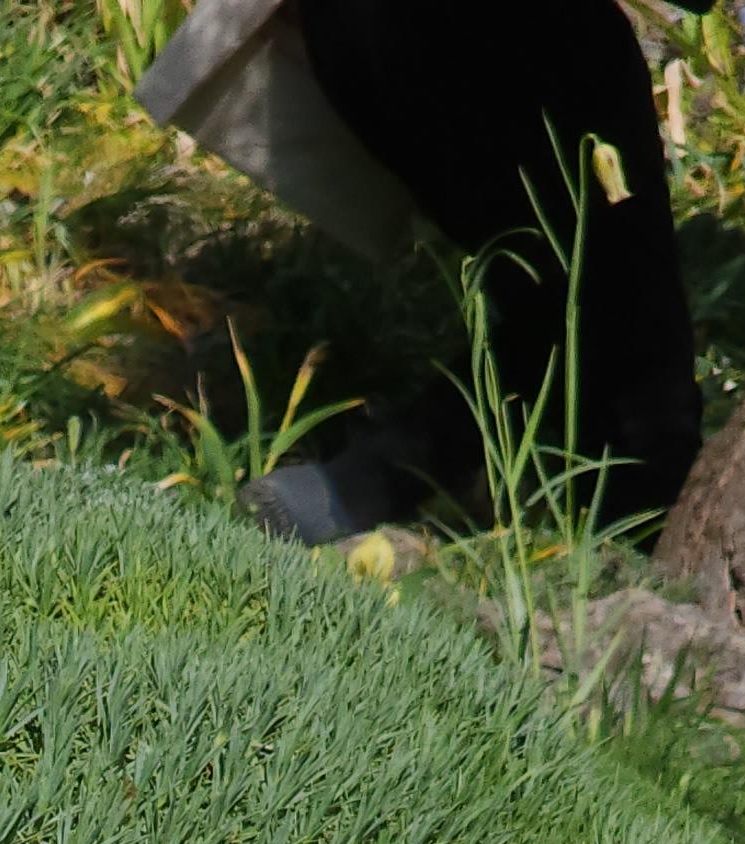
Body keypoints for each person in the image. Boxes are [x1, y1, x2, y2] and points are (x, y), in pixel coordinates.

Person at [249, 0, 704, 538]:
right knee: (612, 301)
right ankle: (377, 478)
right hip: (491, 42)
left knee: (563, 288)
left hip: (359, 33)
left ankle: (379, 478)